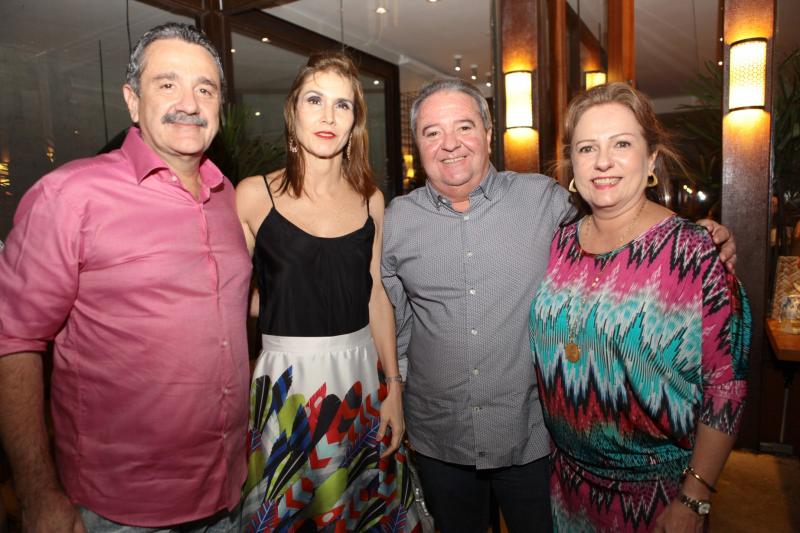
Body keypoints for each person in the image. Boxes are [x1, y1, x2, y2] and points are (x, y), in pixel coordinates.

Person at [380, 78, 737, 533]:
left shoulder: (545, 200)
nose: (450, 143)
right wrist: (396, 384)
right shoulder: (396, 222)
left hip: (532, 441)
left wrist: (703, 235)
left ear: (488, 134)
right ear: (417, 143)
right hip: (440, 438)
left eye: (464, 127)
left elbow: (623, 225)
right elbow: (391, 315)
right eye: (432, 132)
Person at [0, 23, 250, 532]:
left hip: (229, 492)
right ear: (132, 101)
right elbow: (13, 340)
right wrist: (38, 494)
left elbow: (229, 306)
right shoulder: (70, 196)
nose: (189, 103)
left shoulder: (227, 197)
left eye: (205, 89)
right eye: (167, 84)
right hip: (120, 510)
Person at [529, 82, 751, 532]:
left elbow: (726, 389)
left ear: (651, 160)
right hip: (565, 484)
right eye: (587, 148)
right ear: (572, 164)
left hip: (658, 496)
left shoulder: (693, 254)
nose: (603, 161)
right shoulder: (557, 242)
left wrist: (695, 497)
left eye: (622, 144)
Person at [236, 52, 420, 532]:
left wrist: (393, 388)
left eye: (343, 105)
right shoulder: (253, 195)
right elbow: (228, 295)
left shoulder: (370, 198)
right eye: (315, 100)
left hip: (360, 377)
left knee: (358, 510)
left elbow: (375, 295)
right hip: (287, 382)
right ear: (292, 110)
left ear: (354, 122)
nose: (328, 116)